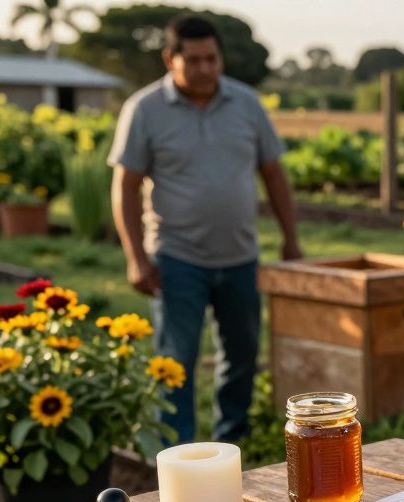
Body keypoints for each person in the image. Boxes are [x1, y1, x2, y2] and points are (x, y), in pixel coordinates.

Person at [109, 13, 302, 443]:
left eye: (211, 59)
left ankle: (231, 441)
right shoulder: (145, 109)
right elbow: (124, 185)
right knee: (176, 361)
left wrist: (291, 239)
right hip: (176, 259)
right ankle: (175, 453)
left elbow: (273, 174)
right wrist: (136, 258)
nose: (204, 69)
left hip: (240, 257)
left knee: (243, 357)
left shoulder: (247, 103)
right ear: (169, 58)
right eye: (192, 60)